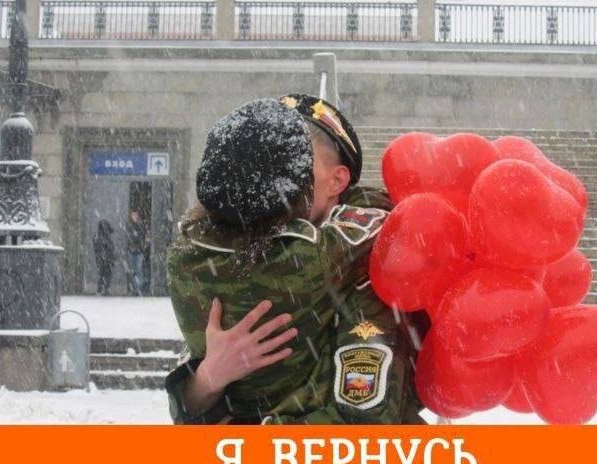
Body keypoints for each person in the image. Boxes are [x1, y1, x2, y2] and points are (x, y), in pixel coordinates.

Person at [165, 95, 424, 424]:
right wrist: (207, 379)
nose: (265, 175)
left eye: (297, 164)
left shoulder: (363, 273)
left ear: (337, 181)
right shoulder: (233, 259)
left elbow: (362, 427)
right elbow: (187, 404)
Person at [125, 209, 147, 296]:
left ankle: (137, 289)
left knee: (138, 270)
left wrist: (141, 244)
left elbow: (141, 236)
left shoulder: (140, 225)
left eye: (136, 215)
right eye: (133, 215)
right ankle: (134, 288)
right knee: (132, 271)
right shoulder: (129, 225)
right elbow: (130, 237)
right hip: (132, 250)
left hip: (138, 251)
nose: (135, 217)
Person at [93, 219, 115, 295]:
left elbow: (110, 247)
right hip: (103, 258)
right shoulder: (99, 236)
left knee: (105, 274)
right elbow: (99, 247)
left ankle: (104, 289)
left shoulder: (105, 236)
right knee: (103, 274)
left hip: (107, 258)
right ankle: (102, 289)